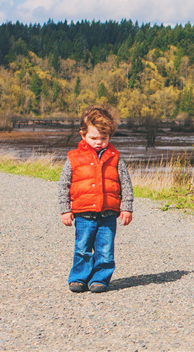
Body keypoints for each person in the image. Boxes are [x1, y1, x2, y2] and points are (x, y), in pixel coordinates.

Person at [58, 104, 133, 293]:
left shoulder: (115, 157)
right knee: (82, 248)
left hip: (108, 214)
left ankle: (100, 278)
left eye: (103, 138)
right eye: (93, 138)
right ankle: (79, 278)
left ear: (109, 137)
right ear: (83, 135)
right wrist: (65, 209)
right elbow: (64, 185)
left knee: (105, 250)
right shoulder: (74, 158)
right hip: (83, 213)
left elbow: (126, 183)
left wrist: (127, 207)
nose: (98, 142)